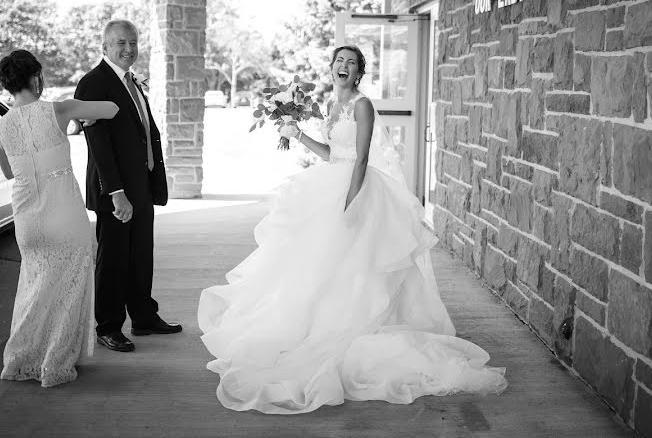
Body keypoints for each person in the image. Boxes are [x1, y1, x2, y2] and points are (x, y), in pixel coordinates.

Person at [197, 45, 507, 414]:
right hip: (328, 183)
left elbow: (360, 158)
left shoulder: (362, 105)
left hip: (356, 189)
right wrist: (297, 134)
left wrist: (352, 201)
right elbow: (333, 154)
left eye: (351, 63)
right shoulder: (330, 106)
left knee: (357, 266)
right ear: (331, 69)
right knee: (319, 264)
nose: (343, 67)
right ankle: (312, 326)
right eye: (339, 61)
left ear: (359, 72)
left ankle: (359, 325)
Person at [0, 49, 118, 387]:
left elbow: (8, 172)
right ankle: (56, 363)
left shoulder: (1, 126)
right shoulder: (59, 109)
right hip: (63, 211)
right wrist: (81, 116)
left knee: (34, 287)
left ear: (7, 85)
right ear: (37, 78)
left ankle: (20, 360)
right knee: (69, 284)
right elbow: (111, 108)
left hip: (28, 218)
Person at [75, 20, 181, 354]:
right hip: (115, 190)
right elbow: (99, 144)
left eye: (133, 43)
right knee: (114, 259)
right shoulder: (93, 83)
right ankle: (108, 326)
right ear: (104, 46)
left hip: (141, 185)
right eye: (121, 43)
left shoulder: (131, 81)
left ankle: (144, 317)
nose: (128, 49)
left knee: (140, 256)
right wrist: (116, 192)